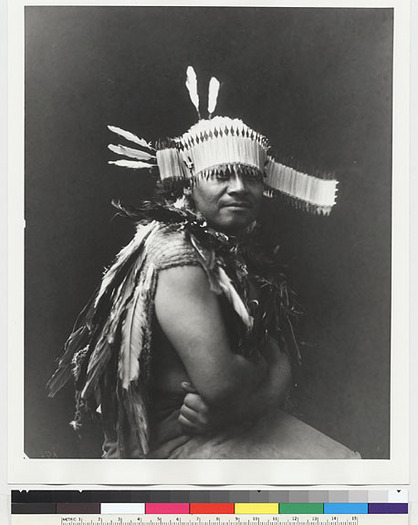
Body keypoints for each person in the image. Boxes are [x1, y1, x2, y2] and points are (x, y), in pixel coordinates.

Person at [48, 67, 359, 459]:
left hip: (229, 422)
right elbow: (222, 385)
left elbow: (274, 373)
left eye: (251, 177)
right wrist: (262, 374)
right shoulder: (177, 253)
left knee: (346, 466)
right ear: (190, 182)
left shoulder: (237, 252)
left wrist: (251, 396)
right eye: (220, 175)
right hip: (174, 442)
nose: (240, 189)